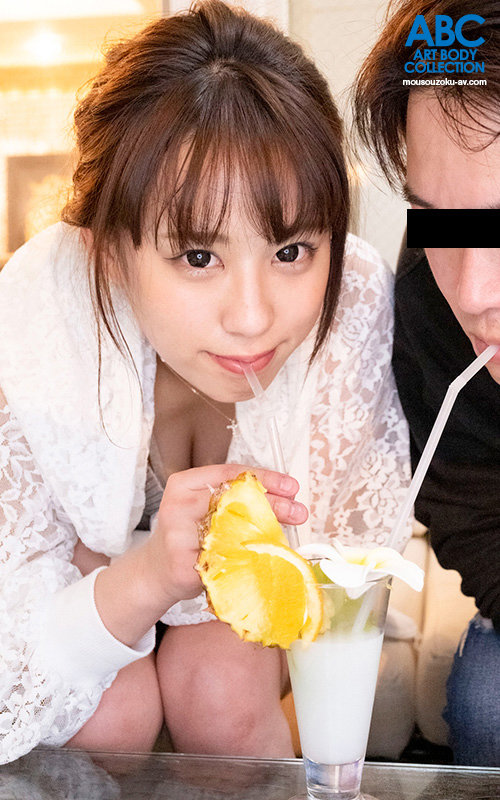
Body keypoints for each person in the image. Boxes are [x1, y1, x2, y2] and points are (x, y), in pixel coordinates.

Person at [0, 0, 411, 765]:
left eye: (290, 251)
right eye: (198, 258)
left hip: (259, 590)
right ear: (108, 252)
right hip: (79, 583)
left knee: (218, 696)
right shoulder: (39, 322)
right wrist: (145, 576)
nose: (253, 318)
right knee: (110, 714)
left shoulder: (351, 302)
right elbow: (14, 618)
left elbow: (333, 571)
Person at [354, 0, 500, 767]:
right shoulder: (424, 297)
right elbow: (467, 501)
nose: (471, 294)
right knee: (488, 702)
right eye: (438, 217)